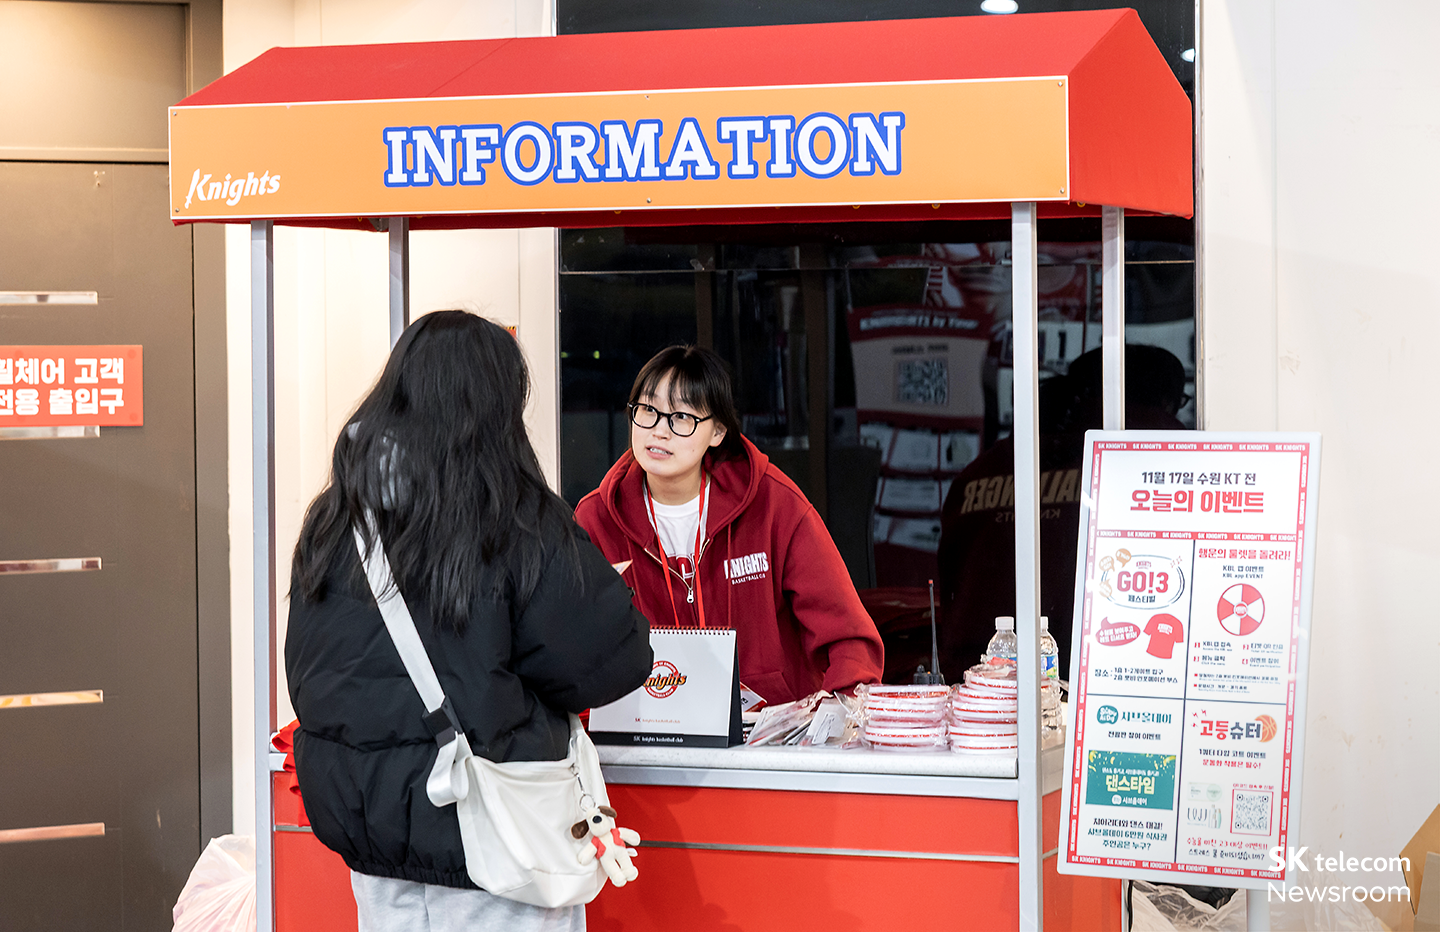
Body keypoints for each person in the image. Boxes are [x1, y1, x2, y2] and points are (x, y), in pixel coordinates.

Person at [285, 311, 652, 932]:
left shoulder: (336, 517)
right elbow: (611, 658)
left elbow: (313, 673)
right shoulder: (511, 516)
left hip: (376, 844)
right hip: (492, 839)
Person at [575, 345, 883, 705]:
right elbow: (573, 651)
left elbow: (849, 638)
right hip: (646, 740)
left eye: (681, 417)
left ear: (718, 431)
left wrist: (834, 725)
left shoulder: (774, 503)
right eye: (648, 411)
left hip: (770, 743)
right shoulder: (595, 519)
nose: (659, 431)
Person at [935, 343, 1190, 680]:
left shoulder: (983, 470)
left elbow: (949, 576)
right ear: (1166, 402)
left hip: (974, 684)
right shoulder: (1161, 454)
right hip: (1089, 683)